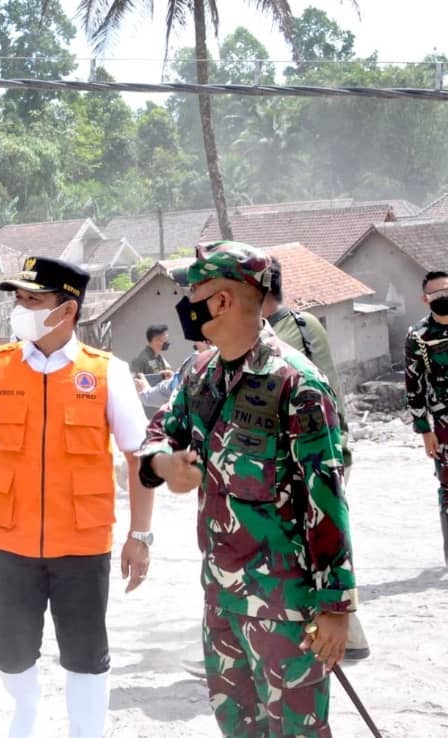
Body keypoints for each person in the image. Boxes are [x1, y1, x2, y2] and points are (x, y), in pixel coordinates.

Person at [138, 241, 356, 738]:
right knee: (236, 727)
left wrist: (336, 609)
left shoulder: (296, 385)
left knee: (297, 731)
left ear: (221, 301)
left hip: (286, 607)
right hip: (222, 599)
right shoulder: (197, 375)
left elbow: (325, 502)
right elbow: (156, 437)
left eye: (193, 290)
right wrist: (165, 464)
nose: (185, 301)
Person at [0, 255, 154, 738]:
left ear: (66, 310)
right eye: (19, 298)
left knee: (86, 657)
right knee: (10, 653)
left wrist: (140, 535)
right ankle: (24, 712)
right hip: (10, 542)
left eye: (33, 299)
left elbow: (139, 459)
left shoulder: (107, 372)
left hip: (82, 546)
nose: (20, 308)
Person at [263, 256, 369, 661]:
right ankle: (345, 635)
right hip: (312, 453)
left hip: (315, 455)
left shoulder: (295, 330)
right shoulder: (299, 326)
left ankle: (341, 635)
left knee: (319, 544)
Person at [404, 269, 448, 566]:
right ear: (425, 299)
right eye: (436, 294)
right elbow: (413, 386)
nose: (443, 297)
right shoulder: (418, 337)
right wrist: (424, 430)